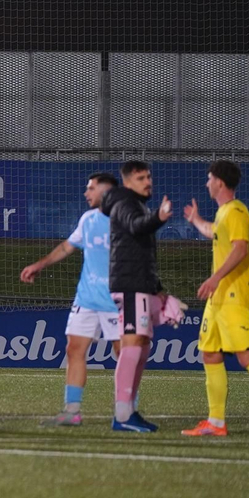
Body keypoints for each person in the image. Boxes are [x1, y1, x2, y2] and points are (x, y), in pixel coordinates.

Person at [19, 172, 118, 427]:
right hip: (86, 298)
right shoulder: (88, 219)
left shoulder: (127, 221)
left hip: (117, 299)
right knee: (74, 350)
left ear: (106, 192)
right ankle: (72, 411)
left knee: (124, 354)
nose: (86, 193)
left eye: (91, 189)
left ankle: (126, 411)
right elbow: (67, 246)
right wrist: (39, 265)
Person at [181, 161, 249, 438]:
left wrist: (215, 278)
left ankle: (216, 421)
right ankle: (216, 422)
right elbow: (214, 232)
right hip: (219, 298)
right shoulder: (224, 213)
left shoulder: (236, 211)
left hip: (233, 294)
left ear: (220, 183)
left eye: (209, 178)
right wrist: (196, 220)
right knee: (210, 353)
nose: (206, 183)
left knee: (247, 355)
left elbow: (240, 248)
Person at [100, 159, 171, 433]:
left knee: (141, 346)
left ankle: (129, 411)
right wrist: (159, 218)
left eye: (149, 177)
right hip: (129, 287)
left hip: (139, 285)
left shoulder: (135, 203)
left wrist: (157, 286)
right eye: (141, 178)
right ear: (128, 181)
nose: (148, 182)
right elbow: (137, 226)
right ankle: (122, 415)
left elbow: (141, 252)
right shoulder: (125, 204)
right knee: (132, 345)